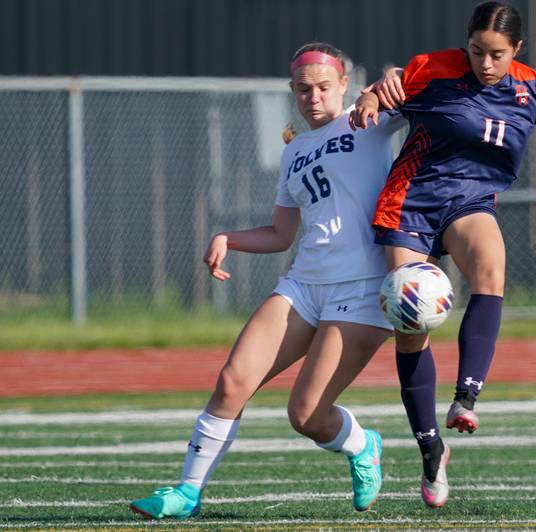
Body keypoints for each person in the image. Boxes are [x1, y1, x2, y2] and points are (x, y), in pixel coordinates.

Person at [350, 1, 536, 508]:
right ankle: (430, 448)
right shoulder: (433, 68)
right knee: (411, 324)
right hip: (411, 203)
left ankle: (466, 397)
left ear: (517, 50)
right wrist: (370, 96)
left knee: (492, 267)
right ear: (465, 43)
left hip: (470, 201)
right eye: (476, 52)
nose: (484, 64)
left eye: (496, 54)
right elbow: (385, 95)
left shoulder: (531, 87)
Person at [129, 42, 407, 519]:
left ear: (344, 84)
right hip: (304, 283)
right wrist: (227, 237)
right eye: (303, 89)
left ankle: (363, 444)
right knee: (233, 380)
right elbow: (281, 234)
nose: (313, 97)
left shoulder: (373, 121)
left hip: (362, 287)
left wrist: (389, 83)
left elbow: (424, 85)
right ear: (292, 92)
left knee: (306, 416)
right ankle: (186, 493)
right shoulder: (294, 149)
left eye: (324, 87)